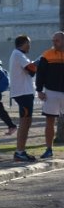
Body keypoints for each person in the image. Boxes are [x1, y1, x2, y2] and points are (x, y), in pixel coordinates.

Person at [33, 31, 64, 160]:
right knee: (49, 121)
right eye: (53, 40)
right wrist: (39, 90)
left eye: (57, 40)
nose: (54, 43)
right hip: (51, 92)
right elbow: (40, 73)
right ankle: (49, 149)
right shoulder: (47, 55)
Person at [10, 34, 37, 162]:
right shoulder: (18, 54)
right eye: (28, 43)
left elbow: (30, 71)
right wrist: (42, 59)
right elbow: (31, 69)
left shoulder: (19, 55)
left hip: (24, 92)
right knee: (25, 122)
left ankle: (21, 151)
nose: (30, 46)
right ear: (24, 43)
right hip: (23, 93)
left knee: (26, 121)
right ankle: (19, 152)